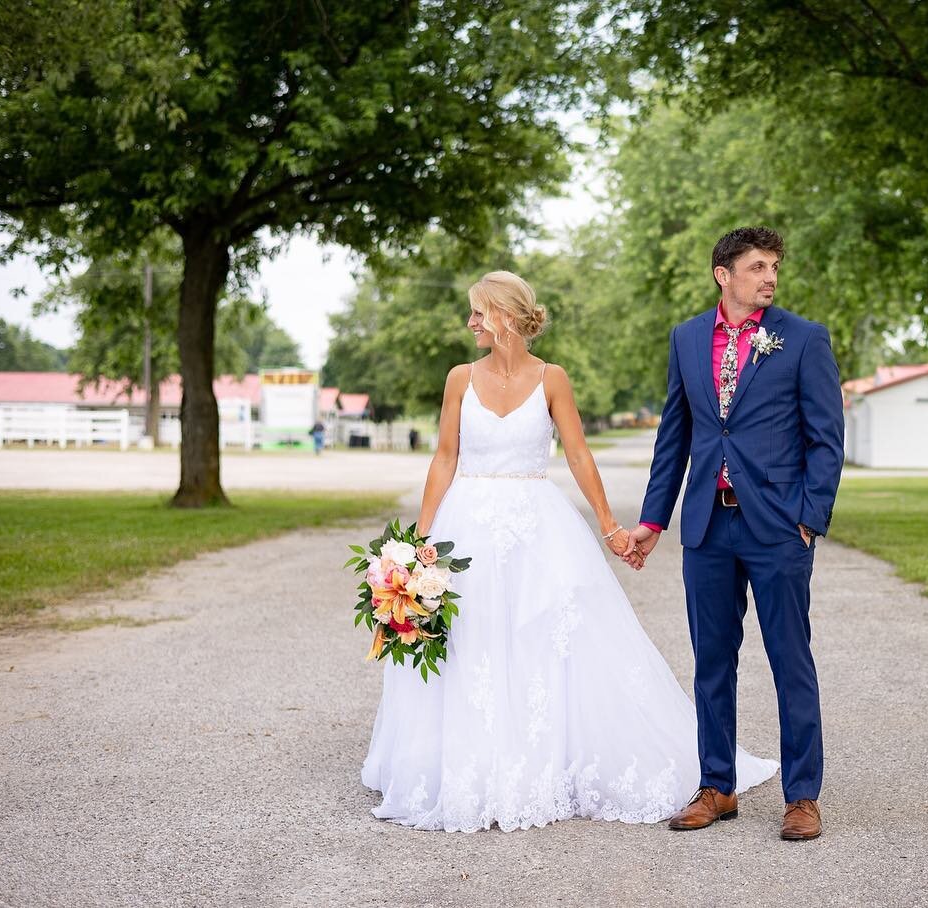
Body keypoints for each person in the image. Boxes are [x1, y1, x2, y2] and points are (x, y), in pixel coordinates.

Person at [361, 270, 776, 832]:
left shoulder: (552, 378)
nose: (471, 322)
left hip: (538, 522)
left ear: (504, 315)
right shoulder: (459, 378)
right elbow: (443, 458)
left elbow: (578, 455)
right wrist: (417, 544)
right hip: (468, 526)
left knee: (546, 638)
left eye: (478, 313)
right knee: (473, 638)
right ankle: (472, 759)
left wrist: (610, 528)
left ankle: (548, 758)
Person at [625, 227, 845, 841]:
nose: (769, 277)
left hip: (778, 527)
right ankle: (716, 786)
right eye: (756, 266)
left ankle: (802, 796)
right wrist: (652, 520)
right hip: (708, 525)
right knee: (711, 662)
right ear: (723, 273)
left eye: (774, 267)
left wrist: (809, 516)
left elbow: (826, 438)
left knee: (789, 660)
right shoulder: (687, 338)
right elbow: (676, 436)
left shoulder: (803, 339)